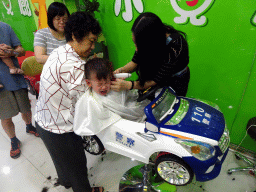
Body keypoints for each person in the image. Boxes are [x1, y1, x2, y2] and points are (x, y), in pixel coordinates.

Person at [34, 12, 104, 192]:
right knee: (78, 168)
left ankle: (66, 181)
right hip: (60, 130)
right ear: (74, 36)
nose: (93, 46)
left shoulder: (60, 51)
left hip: (43, 121)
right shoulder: (74, 66)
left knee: (61, 161)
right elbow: (89, 102)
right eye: (90, 41)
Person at [111, 12, 190, 97]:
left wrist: (129, 85)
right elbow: (135, 62)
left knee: (169, 105)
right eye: (135, 43)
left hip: (175, 80)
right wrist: (121, 71)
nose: (136, 49)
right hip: (157, 76)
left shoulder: (175, 46)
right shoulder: (145, 39)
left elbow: (155, 80)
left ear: (151, 41)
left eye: (139, 45)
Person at [74, 58, 149, 136]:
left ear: (110, 77)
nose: (104, 87)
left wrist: (124, 84)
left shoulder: (115, 85)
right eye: (99, 84)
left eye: (106, 82)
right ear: (88, 83)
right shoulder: (89, 100)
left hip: (138, 116)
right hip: (119, 129)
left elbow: (129, 97)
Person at [0, 22, 39, 159]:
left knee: (26, 107)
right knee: (5, 116)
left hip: (15, 77)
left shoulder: (5, 27)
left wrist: (12, 52)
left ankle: (29, 126)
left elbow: (21, 50)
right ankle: (13, 140)